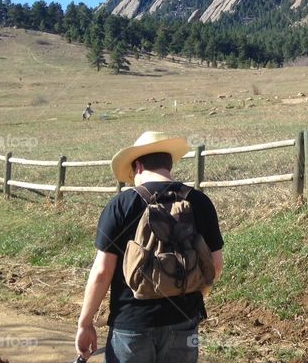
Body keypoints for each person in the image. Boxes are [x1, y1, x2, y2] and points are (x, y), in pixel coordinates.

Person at [75, 131, 224, 362]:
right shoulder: (200, 202)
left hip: (132, 324)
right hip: (184, 323)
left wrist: (85, 323)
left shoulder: (121, 205)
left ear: (139, 166)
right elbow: (215, 265)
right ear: (168, 164)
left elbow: (102, 273)